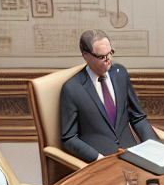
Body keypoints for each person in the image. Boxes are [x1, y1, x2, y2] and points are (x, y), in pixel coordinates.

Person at [60, 29, 157, 162]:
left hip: (133, 155)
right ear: (86, 55)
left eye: (110, 53)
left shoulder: (120, 73)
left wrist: (155, 147)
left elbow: (138, 117)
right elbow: (69, 138)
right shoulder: (72, 89)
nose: (108, 60)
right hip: (101, 160)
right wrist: (97, 158)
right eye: (101, 57)